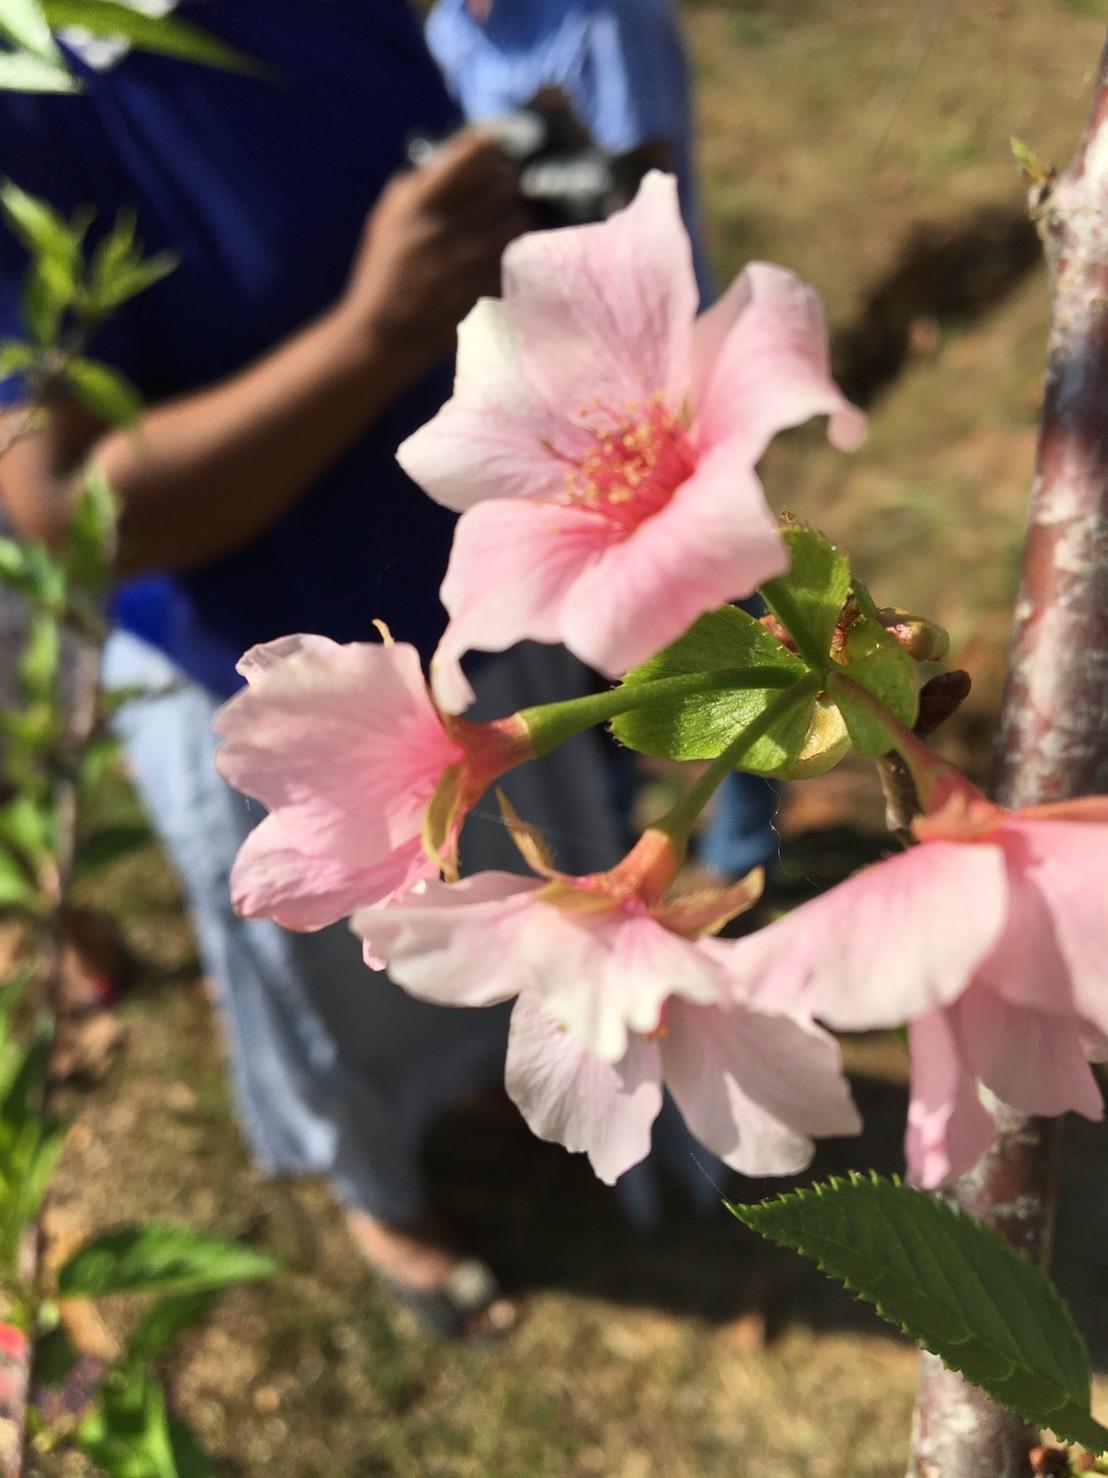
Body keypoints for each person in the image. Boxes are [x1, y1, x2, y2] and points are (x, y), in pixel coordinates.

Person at [0, 0, 619, 1336]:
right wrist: (374, 332)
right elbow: (66, 506)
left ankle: (489, 1085)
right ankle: (382, 1194)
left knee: (524, 888)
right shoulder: (26, 95)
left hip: (478, 570)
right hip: (265, 667)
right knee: (342, 983)